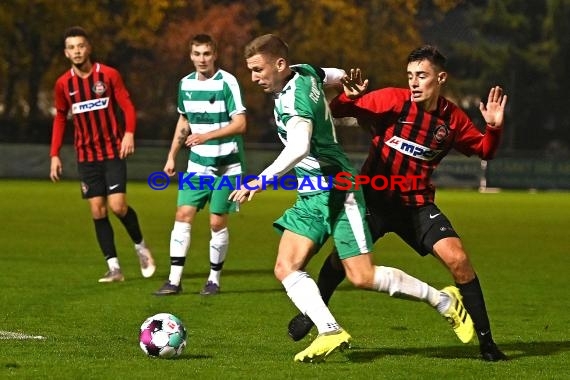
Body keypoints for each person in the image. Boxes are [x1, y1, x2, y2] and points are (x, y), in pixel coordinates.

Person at [230, 34, 474, 363]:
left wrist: (259, 181)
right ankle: (330, 330)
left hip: (338, 189)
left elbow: (299, 146)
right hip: (311, 194)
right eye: (251, 71)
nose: (254, 78)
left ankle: (443, 301)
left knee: (362, 276)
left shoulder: (295, 100)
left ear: (279, 64)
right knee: (285, 266)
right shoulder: (305, 71)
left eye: (258, 70)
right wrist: (348, 87)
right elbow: (334, 74)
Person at [286, 45, 509, 361]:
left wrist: (494, 127)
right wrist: (351, 97)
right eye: (410, 76)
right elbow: (338, 110)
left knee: (458, 259)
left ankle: (488, 344)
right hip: (374, 199)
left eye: (422, 76)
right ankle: (314, 315)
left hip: (415, 205)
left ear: (440, 78)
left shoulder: (453, 120)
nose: (414, 82)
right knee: (341, 260)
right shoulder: (392, 100)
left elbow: (485, 150)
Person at [49, 26, 155, 283]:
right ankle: (114, 268)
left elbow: (127, 105)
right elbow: (61, 118)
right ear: (66, 53)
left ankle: (141, 247)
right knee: (97, 210)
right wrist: (54, 154)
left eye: (80, 46)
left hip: (111, 151)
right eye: (72, 47)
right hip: (86, 156)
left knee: (118, 206)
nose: (77, 51)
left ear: (88, 48)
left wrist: (129, 132)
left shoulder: (107, 75)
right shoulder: (63, 84)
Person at [153, 34, 247, 296]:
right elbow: (184, 122)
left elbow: (240, 124)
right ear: (190, 55)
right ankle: (174, 281)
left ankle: (214, 280)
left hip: (227, 165)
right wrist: (171, 155)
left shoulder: (228, 82)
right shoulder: (185, 84)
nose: (201, 59)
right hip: (197, 165)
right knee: (182, 216)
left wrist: (205, 136)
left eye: (206, 53)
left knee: (217, 223)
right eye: (197, 54)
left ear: (214, 54)